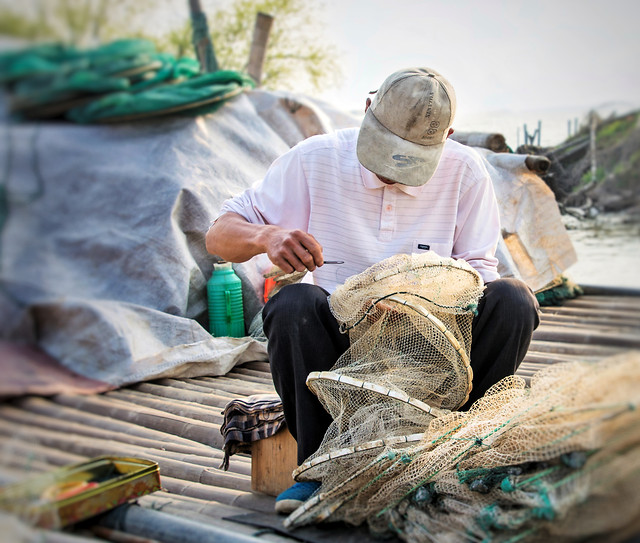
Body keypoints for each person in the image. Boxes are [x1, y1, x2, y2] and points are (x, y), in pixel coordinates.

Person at [206, 67, 540, 514]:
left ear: (446, 136)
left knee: (515, 301)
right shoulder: (314, 159)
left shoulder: (466, 170)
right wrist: (268, 237)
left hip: (433, 349)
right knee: (292, 305)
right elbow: (218, 234)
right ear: (367, 110)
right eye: (385, 151)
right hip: (341, 350)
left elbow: (479, 271)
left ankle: (459, 454)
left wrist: (427, 306)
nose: (392, 170)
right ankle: (320, 468)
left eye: (410, 157)